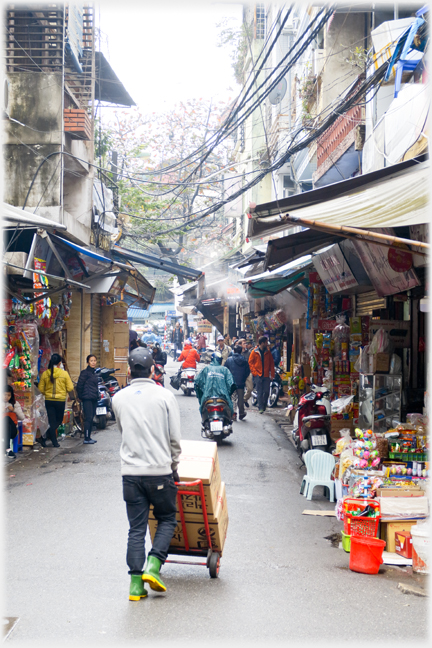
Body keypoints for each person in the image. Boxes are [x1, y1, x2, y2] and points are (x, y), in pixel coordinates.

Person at [112, 347, 181, 601]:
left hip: (130, 474)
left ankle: (134, 586)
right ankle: (153, 565)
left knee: (136, 529)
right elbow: (174, 438)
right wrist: (174, 466)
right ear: (153, 369)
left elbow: (122, 431)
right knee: (167, 519)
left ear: (129, 371)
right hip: (159, 471)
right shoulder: (164, 396)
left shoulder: (118, 398)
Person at [38, 353, 74, 447]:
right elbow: (70, 388)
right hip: (60, 401)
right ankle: (53, 441)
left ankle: (45, 438)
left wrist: (47, 393)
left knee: (52, 421)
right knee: (57, 421)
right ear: (59, 363)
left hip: (49, 401)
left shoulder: (46, 373)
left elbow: (41, 389)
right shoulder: (64, 373)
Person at [194, 352, 236, 418]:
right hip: (223, 397)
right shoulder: (225, 370)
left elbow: (197, 383)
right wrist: (227, 394)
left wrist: (201, 393)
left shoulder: (206, 369)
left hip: (207, 397)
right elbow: (232, 384)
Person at [248, 336, 275, 414]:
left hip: (266, 375)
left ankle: (264, 404)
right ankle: (260, 407)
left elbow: (271, 363)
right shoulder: (254, 352)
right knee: (259, 392)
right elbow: (250, 362)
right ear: (262, 343)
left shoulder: (268, 352)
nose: (267, 344)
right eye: (266, 342)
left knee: (266, 392)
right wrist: (254, 373)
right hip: (258, 375)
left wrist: (272, 374)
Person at [76, 354, 99, 445]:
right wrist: (80, 396)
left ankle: (89, 437)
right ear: (87, 362)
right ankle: (86, 438)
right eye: (91, 361)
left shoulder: (95, 373)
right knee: (88, 418)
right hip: (87, 399)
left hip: (94, 398)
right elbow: (79, 385)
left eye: (94, 360)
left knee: (91, 417)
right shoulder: (84, 373)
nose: (93, 362)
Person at [225, 345, 250, 421]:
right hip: (241, 383)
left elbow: (225, 370)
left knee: (233, 398)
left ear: (234, 351)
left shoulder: (229, 360)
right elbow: (247, 371)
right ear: (241, 351)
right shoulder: (244, 360)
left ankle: (234, 414)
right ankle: (241, 413)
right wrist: (243, 378)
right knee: (240, 399)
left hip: (231, 383)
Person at [4, 385, 24, 457]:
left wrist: (14, 410)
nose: (6, 397)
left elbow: (22, 417)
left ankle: (6, 448)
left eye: (8, 395)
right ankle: (7, 449)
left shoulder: (15, 404)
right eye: (4, 394)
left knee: (7, 419)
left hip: (12, 431)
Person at [242, 339, 254, 409]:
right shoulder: (238, 352)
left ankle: (244, 399)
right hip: (240, 373)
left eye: (246, 343)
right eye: (244, 343)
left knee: (250, 388)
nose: (245, 345)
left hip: (248, 372)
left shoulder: (249, 353)